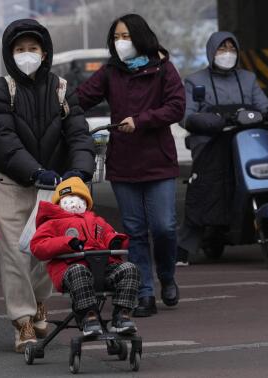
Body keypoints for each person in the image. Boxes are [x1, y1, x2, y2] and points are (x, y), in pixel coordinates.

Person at [0, 19, 95, 353]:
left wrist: (79, 171)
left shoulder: (62, 88)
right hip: (13, 183)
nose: (26, 55)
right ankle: (23, 322)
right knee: (15, 256)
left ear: (45, 52)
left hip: (56, 185)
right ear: (9, 53)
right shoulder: (2, 89)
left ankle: (40, 301)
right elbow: (2, 138)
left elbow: (78, 133)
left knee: (49, 250)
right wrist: (33, 172)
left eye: (32, 48)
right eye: (20, 49)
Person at [75, 14, 185, 317]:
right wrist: (56, 99)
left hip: (159, 161)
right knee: (135, 231)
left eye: (125, 36)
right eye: (116, 37)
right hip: (124, 163)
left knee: (164, 227)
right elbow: (81, 97)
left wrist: (141, 121)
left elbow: (177, 107)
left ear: (140, 37)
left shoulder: (163, 68)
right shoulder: (111, 71)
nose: (120, 42)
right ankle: (144, 293)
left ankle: (167, 275)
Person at [176, 31, 268, 266]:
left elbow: (264, 107)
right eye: (221, 49)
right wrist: (202, 121)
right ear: (211, 52)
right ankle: (184, 247)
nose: (227, 54)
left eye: (231, 49)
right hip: (210, 142)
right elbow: (185, 115)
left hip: (246, 139)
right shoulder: (195, 80)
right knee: (205, 188)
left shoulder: (248, 79)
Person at [30, 177, 140, 336]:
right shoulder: (51, 223)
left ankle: (121, 315)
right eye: (69, 199)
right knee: (79, 271)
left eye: (80, 198)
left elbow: (108, 233)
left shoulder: (96, 220)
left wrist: (115, 241)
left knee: (130, 269)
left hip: (103, 268)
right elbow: (38, 246)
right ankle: (89, 316)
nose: (75, 203)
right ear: (59, 202)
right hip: (71, 269)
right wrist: (67, 243)